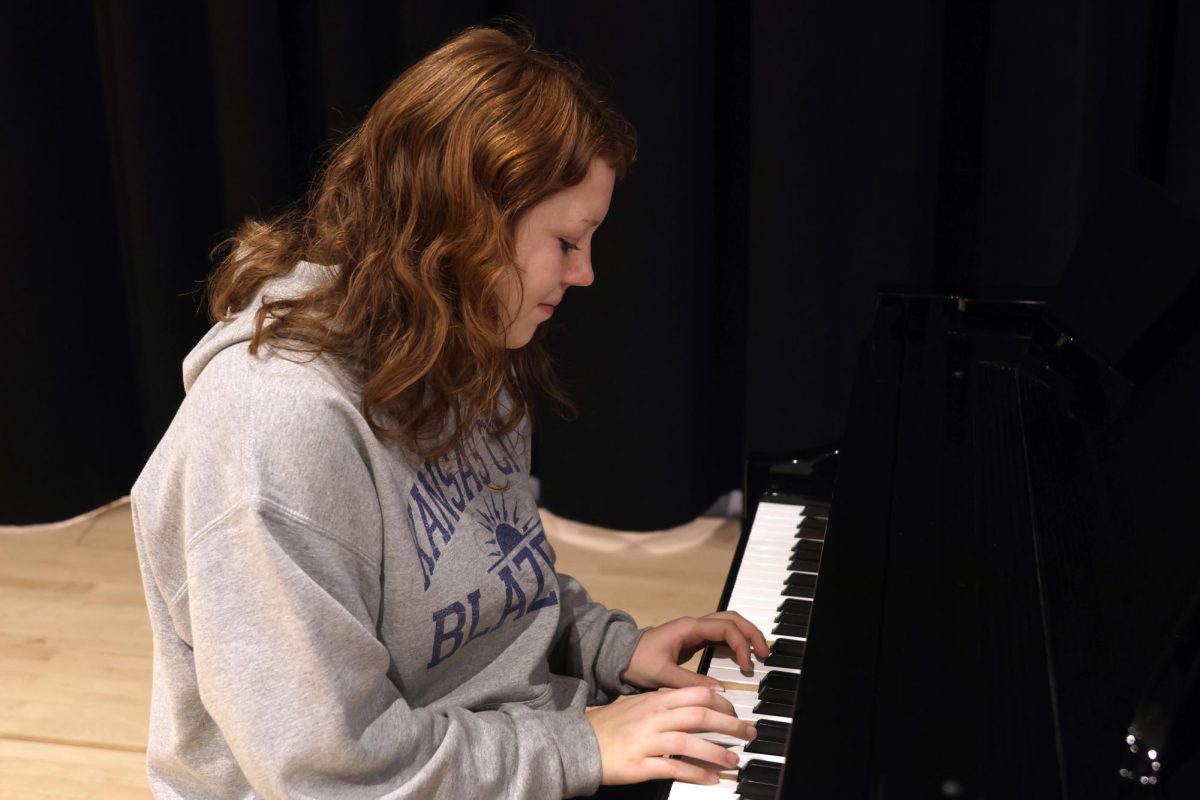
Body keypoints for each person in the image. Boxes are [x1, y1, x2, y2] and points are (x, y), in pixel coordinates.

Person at [131, 25, 769, 799]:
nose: (586, 273)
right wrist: (579, 744)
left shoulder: (464, 345)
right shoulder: (275, 427)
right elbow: (328, 770)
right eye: (567, 241)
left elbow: (487, 581)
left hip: (493, 751)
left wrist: (609, 648)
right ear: (465, 226)